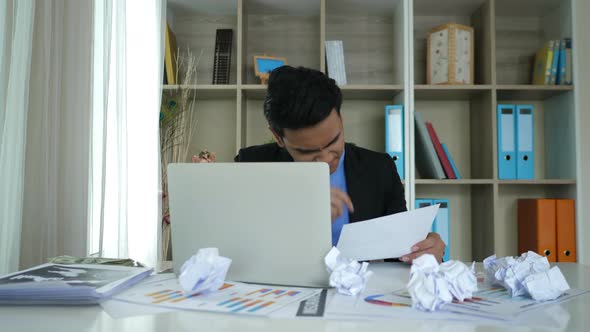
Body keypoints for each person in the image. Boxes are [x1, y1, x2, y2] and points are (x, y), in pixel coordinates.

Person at [235, 65, 445, 263]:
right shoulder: (250, 166)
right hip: (281, 294)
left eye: (333, 141)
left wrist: (426, 249)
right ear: (278, 138)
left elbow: (400, 252)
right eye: (307, 151)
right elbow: (236, 250)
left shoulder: (379, 169)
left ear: (341, 119)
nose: (326, 159)